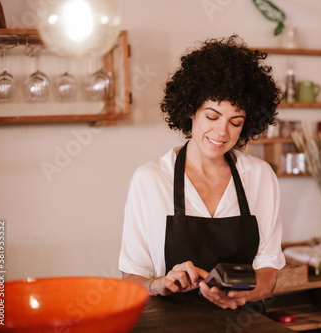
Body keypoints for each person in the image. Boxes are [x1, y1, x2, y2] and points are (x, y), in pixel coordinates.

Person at [119, 35, 285, 311]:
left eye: (236, 122)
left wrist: (240, 294)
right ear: (190, 111)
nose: (222, 132)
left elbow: (268, 276)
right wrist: (158, 284)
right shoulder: (150, 179)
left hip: (243, 323)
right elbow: (130, 280)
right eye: (212, 116)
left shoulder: (260, 177)